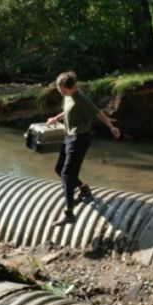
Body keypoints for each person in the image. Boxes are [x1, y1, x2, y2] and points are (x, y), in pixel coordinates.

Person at [46, 71, 120, 226]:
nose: (59, 90)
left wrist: (111, 127)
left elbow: (98, 113)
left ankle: (69, 213)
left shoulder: (81, 99)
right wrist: (56, 118)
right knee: (59, 169)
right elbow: (68, 111)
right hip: (69, 137)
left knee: (67, 173)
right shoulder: (68, 97)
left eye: (60, 88)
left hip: (80, 139)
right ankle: (84, 189)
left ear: (67, 87)